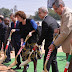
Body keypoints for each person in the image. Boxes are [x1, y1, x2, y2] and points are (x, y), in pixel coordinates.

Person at [48, 0, 72, 72]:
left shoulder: (67, 14)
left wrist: (54, 44)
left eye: (56, 9)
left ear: (61, 6)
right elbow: (66, 28)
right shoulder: (64, 14)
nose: (55, 11)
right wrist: (59, 29)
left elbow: (65, 32)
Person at [34, 7, 59, 72]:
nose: (39, 14)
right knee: (53, 60)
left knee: (47, 62)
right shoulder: (52, 19)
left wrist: (37, 44)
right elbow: (59, 27)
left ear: (45, 13)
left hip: (50, 45)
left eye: (40, 13)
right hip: (55, 43)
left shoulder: (45, 21)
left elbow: (43, 35)